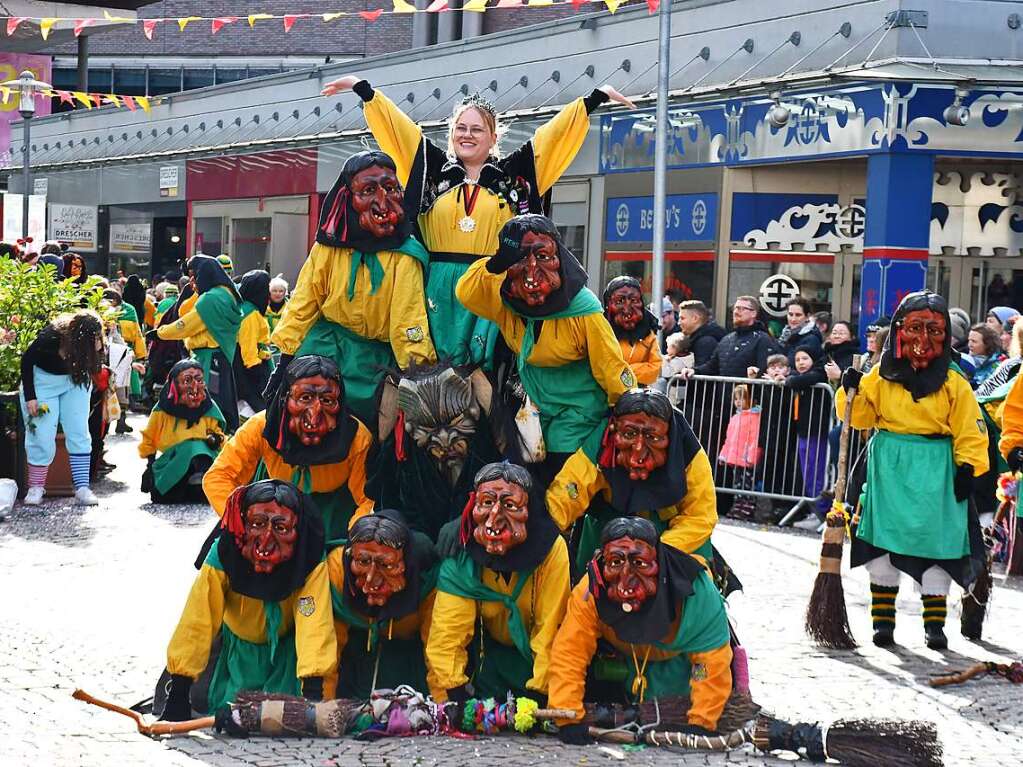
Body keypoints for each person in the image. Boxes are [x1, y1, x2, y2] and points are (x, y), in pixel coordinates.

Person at [321, 73, 633, 367]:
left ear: (493, 136)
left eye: (476, 129)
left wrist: (595, 98)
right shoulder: (430, 166)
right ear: (451, 133)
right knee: (426, 374)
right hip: (433, 288)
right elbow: (398, 130)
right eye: (460, 128)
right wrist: (362, 89)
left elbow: (552, 138)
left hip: (491, 286)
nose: (467, 135)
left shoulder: (515, 174)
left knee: (492, 377)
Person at [838, 291, 988, 650]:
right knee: (882, 547)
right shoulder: (881, 376)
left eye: (934, 331)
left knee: (938, 545)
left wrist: (967, 465)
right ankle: (883, 625)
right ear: (899, 331)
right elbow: (860, 417)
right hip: (889, 468)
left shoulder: (954, 383)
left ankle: (934, 627)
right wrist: (849, 392)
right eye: (915, 329)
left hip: (937, 469)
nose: (923, 341)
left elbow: (969, 425)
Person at [456, 215, 635, 477]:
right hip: (533, 409)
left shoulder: (582, 309)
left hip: (577, 410)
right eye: (519, 259)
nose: (531, 269)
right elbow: (466, 293)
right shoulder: (506, 299)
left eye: (542, 256)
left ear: (559, 257)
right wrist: (497, 262)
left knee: (561, 475)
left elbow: (610, 364)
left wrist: (630, 410)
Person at [268, 150, 436, 424]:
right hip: (323, 350)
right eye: (369, 190)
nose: (383, 201)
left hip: (375, 365)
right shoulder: (329, 248)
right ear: (348, 197)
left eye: (390, 188)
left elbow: (409, 317)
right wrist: (285, 358)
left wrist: (420, 373)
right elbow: (305, 300)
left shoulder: (406, 254)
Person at [161, 479, 336, 719]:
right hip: (233, 654)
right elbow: (198, 617)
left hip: (286, 659)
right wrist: (180, 687)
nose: (265, 541)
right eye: (257, 524)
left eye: (281, 528)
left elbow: (313, 620)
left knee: (280, 713)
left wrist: (313, 690)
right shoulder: (223, 554)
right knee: (208, 703)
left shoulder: (310, 557)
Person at [548, 517, 732, 743]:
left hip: (681, 676)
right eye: (615, 563)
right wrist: (567, 714)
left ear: (660, 564)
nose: (626, 578)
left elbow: (708, 663)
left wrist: (702, 721)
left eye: (640, 564)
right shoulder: (589, 593)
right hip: (620, 671)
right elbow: (570, 652)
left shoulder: (698, 592)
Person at [426, 461, 570, 703]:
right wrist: (453, 693)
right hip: (487, 662)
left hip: (535, 662)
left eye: (510, 505)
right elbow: (447, 630)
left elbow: (551, 628)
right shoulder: (460, 550)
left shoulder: (552, 551)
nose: (494, 517)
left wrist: (543, 691)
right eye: (486, 503)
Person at [203, 355, 373, 542]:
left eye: (327, 400)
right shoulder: (261, 426)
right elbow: (218, 477)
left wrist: (358, 536)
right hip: (269, 510)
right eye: (305, 398)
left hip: (334, 522)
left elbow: (368, 500)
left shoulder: (357, 438)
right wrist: (245, 521)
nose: (315, 414)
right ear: (285, 399)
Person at [546, 388, 717, 569]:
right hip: (607, 530)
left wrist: (656, 552)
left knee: (694, 586)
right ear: (614, 430)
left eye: (652, 437)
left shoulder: (687, 451)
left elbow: (701, 516)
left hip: (672, 537)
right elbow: (570, 490)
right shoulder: (601, 445)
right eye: (629, 434)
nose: (638, 450)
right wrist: (544, 530)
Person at [370, 363, 509, 542]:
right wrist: (411, 537)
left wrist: (470, 519)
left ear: (474, 413)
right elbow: (389, 504)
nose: (444, 439)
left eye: (456, 423)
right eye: (428, 428)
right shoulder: (408, 466)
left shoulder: (489, 452)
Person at [324, 510, 439, 699]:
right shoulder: (337, 570)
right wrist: (319, 710)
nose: (371, 578)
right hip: (354, 659)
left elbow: (440, 648)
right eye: (362, 562)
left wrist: (447, 711)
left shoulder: (429, 579)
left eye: (387, 565)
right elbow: (324, 644)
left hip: (408, 660)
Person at [19, 309, 105, 507]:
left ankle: (82, 487)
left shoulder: (94, 339)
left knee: (79, 430)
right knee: (40, 432)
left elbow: (96, 366)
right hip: (43, 382)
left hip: (74, 381)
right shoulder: (51, 337)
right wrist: (31, 397)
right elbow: (27, 361)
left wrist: (99, 349)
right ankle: (36, 487)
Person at [157, 254, 243, 432]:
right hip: (221, 356)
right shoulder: (227, 292)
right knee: (221, 402)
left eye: (194, 274)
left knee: (207, 405)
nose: (192, 279)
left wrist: (160, 333)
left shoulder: (210, 298)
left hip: (208, 358)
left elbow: (186, 325)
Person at [138, 359, 226, 504]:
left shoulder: (209, 407)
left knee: (197, 448)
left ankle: (201, 486)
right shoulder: (162, 410)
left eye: (198, 379)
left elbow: (218, 433)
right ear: (175, 384)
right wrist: (150, 465)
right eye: (187, 380)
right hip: (174, 458)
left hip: (204, 460)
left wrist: (216, 439)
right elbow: (149, 437)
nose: (194, 386)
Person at [786, 348, 831, 529]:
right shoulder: (798, 377)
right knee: (807, 472)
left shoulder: (818, 374)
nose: (801, 362)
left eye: (805, 358)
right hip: (803, 431)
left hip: (817, 431)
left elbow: (806, 379)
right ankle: (814, 509)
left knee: (816, 470)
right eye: (797, 359)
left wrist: (790, 380)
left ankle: (821, 510)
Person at [684, 296, 779, 379]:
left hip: (749, 397)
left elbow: (765, 371)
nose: (737, 312)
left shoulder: (762, 339)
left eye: (742, 309)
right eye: (736, 308)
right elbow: (712, 366)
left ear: (753, 313)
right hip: (725, 397)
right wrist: (694, 371)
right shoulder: (727, 339)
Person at [603, 276, 661, 387]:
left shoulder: (648, 332)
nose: (627, 309)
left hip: (637, 396)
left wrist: (624, 371)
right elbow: (599, 368)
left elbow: (655, 367)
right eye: (620, 301)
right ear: (608, 304)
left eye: (634, 300)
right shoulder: (600, 330)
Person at [234, 270, 275, 419]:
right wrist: (257, 372)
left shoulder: (244, 308)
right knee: (260, 409)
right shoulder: (250, 314)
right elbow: (248, 347)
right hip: (251, 368)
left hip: (246, 365)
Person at [718, 384, 761, 520]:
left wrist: (752, 456)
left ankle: (747, 507)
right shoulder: (735, 417)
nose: (738, 402)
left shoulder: (755, 417)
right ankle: (738, 504)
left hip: (746, 458)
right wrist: (724, 455)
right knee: (737, 483)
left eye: (742, 398)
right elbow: (729, 438)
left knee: (748, 484)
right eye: (736, 399)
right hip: (735, 458)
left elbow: (755, 439)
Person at [677, 299, 724, 368]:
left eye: (682, 318)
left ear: (695, 318)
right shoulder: (698, 339)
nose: (679, 323)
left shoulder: (706, 342)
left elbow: (704, 371)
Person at [778, 297, 823, 367]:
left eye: (798, 315)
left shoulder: (812, 339)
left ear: (807, 316)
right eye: (790, 314)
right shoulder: (785, 336)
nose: (793, 319)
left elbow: (804, 369)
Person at [967, 323, 1006, 389]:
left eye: (974, 341)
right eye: (969, 340)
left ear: (987, 344)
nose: (969, 345)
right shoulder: (965, 361)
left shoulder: (998, 366)